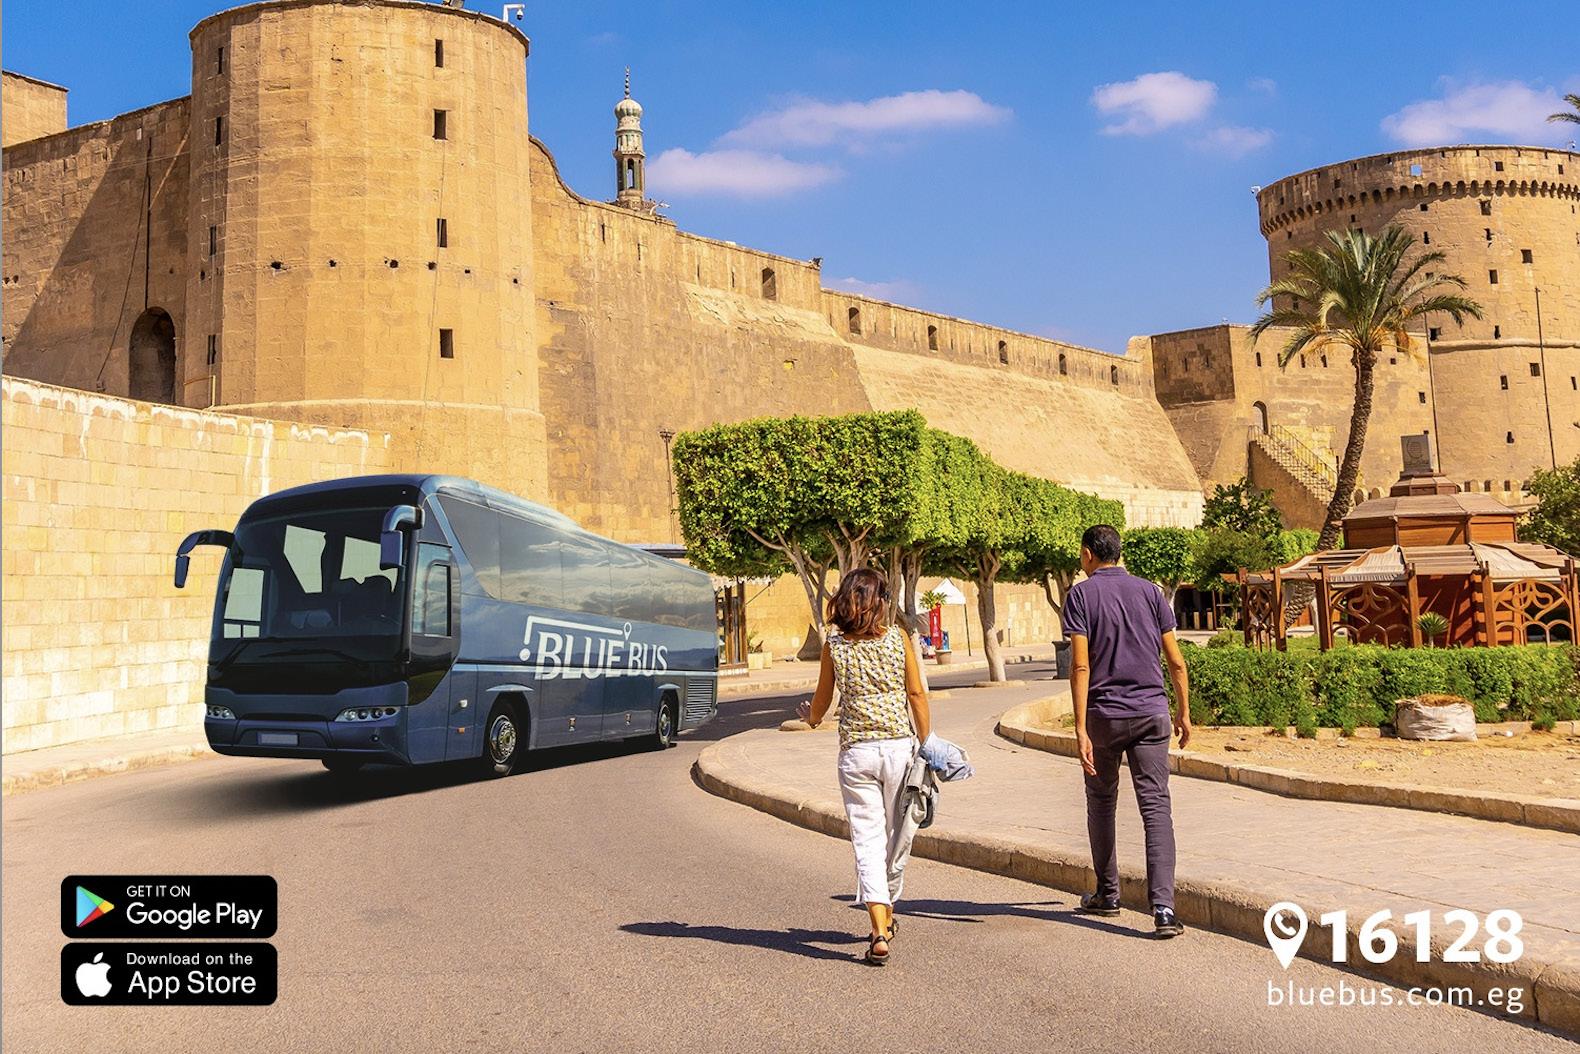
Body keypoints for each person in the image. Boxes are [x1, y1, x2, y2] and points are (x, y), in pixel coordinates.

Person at [1063, 524, 1191, 938]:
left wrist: (1080, 727)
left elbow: (1080, 665)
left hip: (1104, 716)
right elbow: (1175, 660)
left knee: (1101, 802)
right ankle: (1164, 909)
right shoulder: (1152, 593)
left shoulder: (1081, 595)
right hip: (1152, 712)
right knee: (1156, 807)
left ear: (1088, 554)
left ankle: (1108, 894)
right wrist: (1184, 712)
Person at [798, 568, 931, 966]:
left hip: (857, 754)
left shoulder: (834, 646)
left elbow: (823, 700)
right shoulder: (898, 639)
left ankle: (879, 929)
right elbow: (916, 693)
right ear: (880, 603)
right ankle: (885, 916)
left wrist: (811, 718)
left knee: (868, 841)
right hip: (898, 749)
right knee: (896, 838)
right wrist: (928, 742)